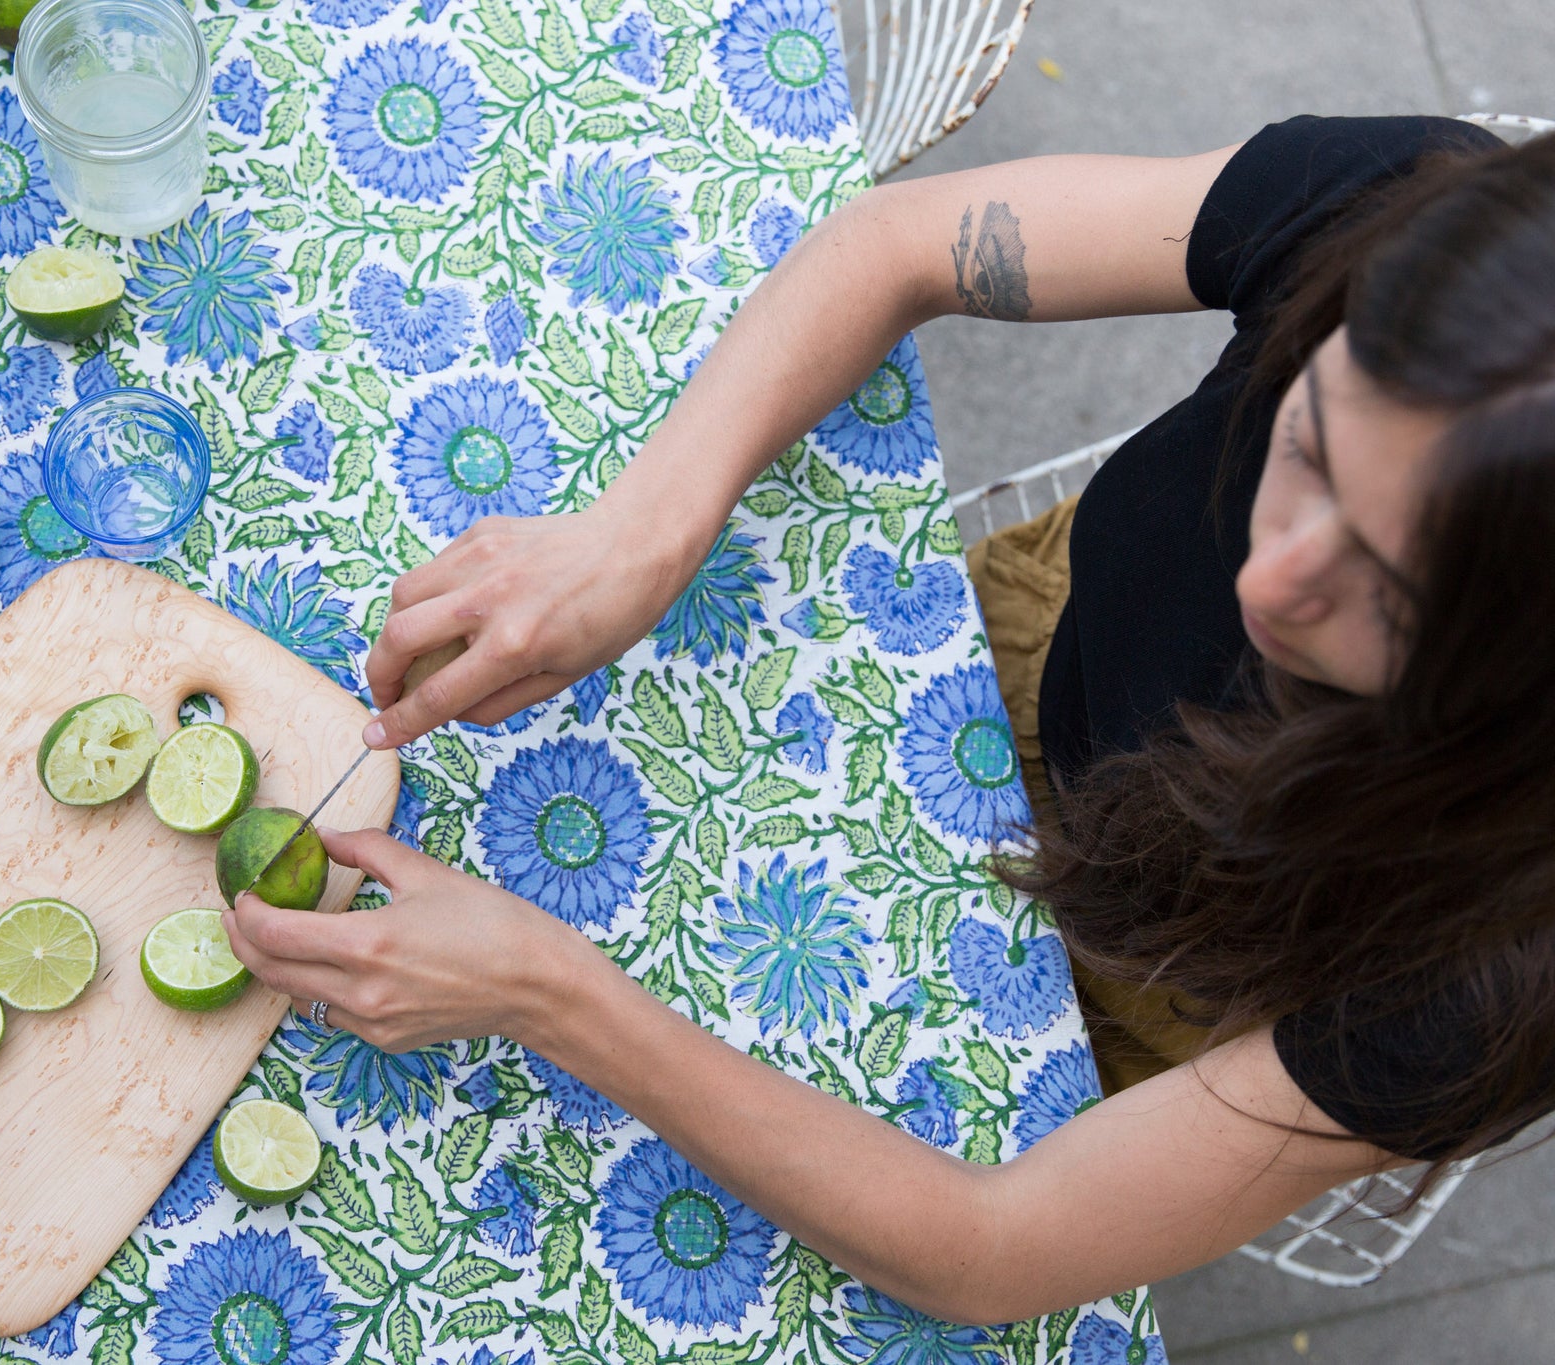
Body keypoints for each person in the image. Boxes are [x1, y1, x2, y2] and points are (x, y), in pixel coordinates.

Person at [222, 115, 1555, 1323]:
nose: (1274, 576)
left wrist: (542, 989)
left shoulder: (1492, 979)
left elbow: (992, 1248)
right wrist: (642, 529)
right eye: (1307, 444)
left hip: (1186, 970)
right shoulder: (1408, 224)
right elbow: (908, 242)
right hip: (1024, 654)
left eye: (1390, 591)